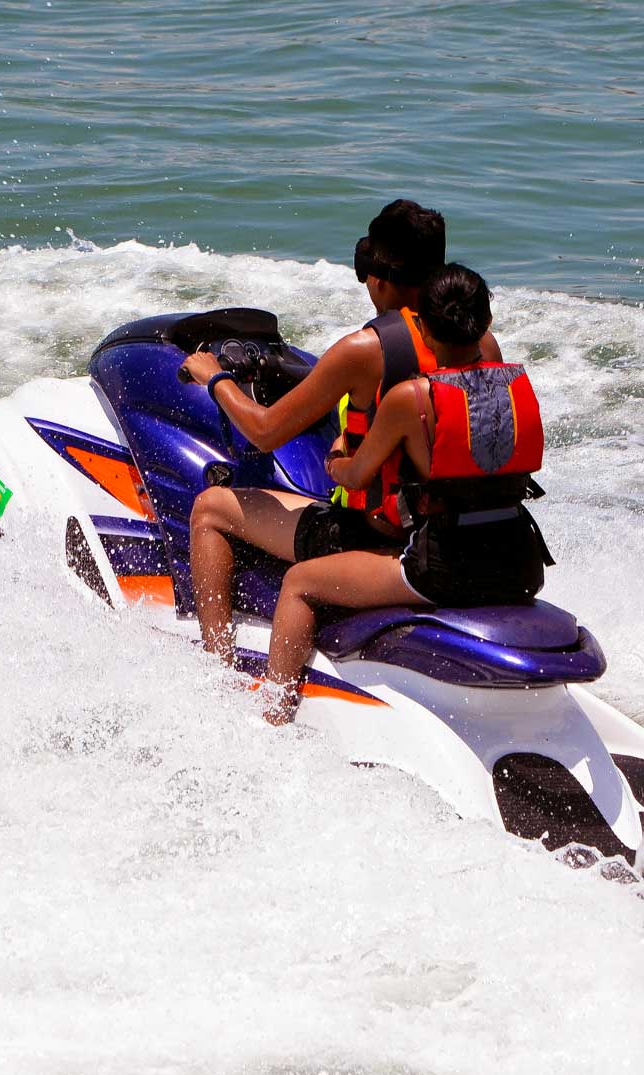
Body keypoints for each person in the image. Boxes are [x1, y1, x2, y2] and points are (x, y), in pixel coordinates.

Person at [180, 199, 504, 664]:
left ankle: (218, 667)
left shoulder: (365, 349)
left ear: (378, 278)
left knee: (210, 508)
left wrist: (216, 379)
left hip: (376, 535)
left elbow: (265, 432)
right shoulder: (480, 342)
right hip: (459, 535)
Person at [260, 263, 554, 724]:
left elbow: (356, 476)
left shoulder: (412, 399)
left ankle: (272, 717)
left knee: (299, 584)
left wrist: (335, 458)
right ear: (487, 324)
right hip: (522, 563)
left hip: (445, 568)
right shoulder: (517, 384)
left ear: (425, 332)